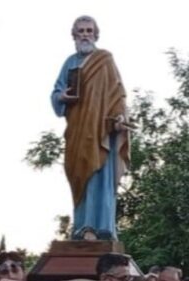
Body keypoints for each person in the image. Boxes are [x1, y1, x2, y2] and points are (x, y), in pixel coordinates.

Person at [51, 15, 130, 240]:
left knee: (100, 174)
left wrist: (119, 118)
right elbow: (56, 92)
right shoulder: (69, 63)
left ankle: (102, 228)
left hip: (100, 131)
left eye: (88, 30)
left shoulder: (105, 60)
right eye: (81, 31)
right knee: (79, 175)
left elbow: (118, 93)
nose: (85, 35)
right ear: (74, 35)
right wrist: (62, 97)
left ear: (95, 34)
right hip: (77, 130)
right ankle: (82, 227)